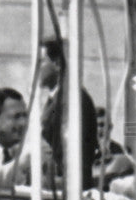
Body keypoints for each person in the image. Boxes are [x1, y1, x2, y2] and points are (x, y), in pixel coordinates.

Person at [39, 37, 98, 190]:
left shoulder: (73, 100)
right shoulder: (57, 99)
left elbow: (73, 155)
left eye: (40, 62)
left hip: (66, 192)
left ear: (57, 64)